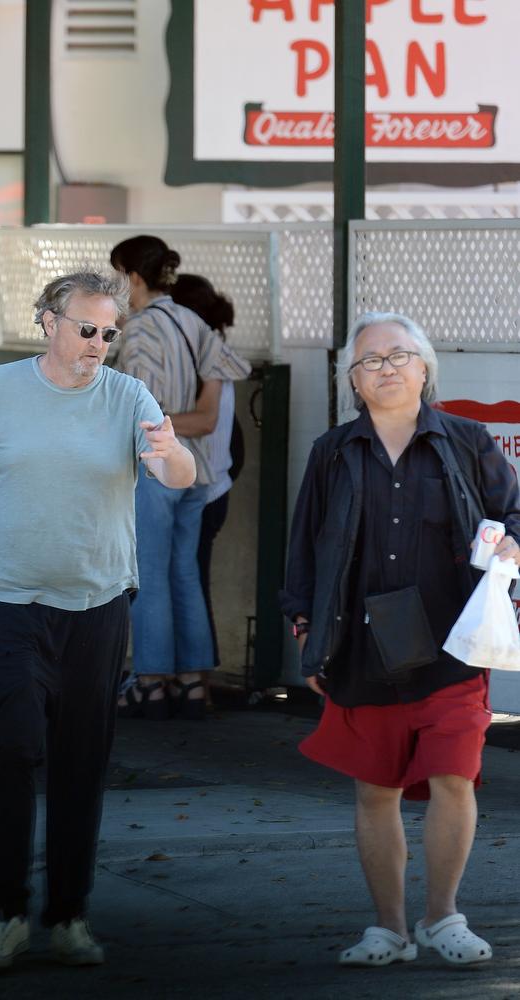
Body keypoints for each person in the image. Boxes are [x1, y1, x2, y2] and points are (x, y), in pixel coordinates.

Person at [0, 270, 196, 974]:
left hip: (98, 607)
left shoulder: (128, 396)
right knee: (6, 751)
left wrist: (173, 454)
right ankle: (7, 914)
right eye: (86, 328)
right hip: (7, 603)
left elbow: (179, 473)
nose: (99, 343)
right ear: (48, 321)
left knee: (80, 765)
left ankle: (67, 916)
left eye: (110, 332)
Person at [280, 311, 520, 968]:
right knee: (374, 789)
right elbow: (303, 546)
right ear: (353, 381)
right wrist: (305, 628)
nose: (386, 368)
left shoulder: (468, 440)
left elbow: (514, 514)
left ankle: (443, 916)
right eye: (370, 361)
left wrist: (510, 542)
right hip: (361, 645)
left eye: (398, 356)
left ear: (424, 368)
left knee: (454, 777)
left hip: (453, 645)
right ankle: (389, 929)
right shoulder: (333, 450)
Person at [111, 236, 250, 720]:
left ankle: (150, 681)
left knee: (147, 573)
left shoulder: (141, 331)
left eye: (117, 275)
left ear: (132, 276)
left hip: (154, 466)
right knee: (185, 571)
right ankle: (191, 681)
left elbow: (137, 410)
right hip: (199, 470)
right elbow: (211, 414)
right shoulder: (194, 322)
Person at [170, 273, 245, 667]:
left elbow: (205, 421)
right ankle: (191, 681)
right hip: (211, 489)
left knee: (187, 584)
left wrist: (145, 420)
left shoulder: (205, 357)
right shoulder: (209, 352)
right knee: (188, 583)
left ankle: (194, 678)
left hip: (203, 491)